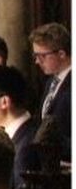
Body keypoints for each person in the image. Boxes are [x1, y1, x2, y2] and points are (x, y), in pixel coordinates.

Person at [29, 22, 71, 156]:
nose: (37, 62)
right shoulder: (50, 82)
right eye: (35, 56)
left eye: (42, 56)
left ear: (61, 54)